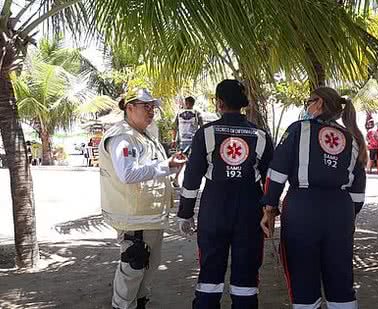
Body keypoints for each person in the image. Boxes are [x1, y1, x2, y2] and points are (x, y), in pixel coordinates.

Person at [261, 87, 367, 308]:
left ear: (318, 103)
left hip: (303, 209)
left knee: (302, 279)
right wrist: (346, 218)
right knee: (340, 279)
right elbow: (358, 192)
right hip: (341, 211)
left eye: (308, 102)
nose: (307, 106)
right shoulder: (352, 137)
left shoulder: (299, 130)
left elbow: (277, 173)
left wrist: (269, 207)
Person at [177, 79, 274, 309]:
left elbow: (192, 179)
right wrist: (270, 211)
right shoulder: (260, 135)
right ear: (242, 103)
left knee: (209, 276)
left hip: (213, 212)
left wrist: (185, 213)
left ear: (219, 103)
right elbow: (271, 178)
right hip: (250, 213)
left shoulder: (205, 133)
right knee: (246, 278)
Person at [99, 88, 186, 309]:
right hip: (133, 218)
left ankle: (139, 304)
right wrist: (164, 166)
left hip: (149, 218)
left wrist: (170, 166)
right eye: (145, 106)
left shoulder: (144, 136)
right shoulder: (123, 137)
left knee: (146, 271)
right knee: (133, 267)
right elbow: (128, 174)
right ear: (129, 108)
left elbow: (151, 169)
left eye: (152, 107)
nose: (151, 111)